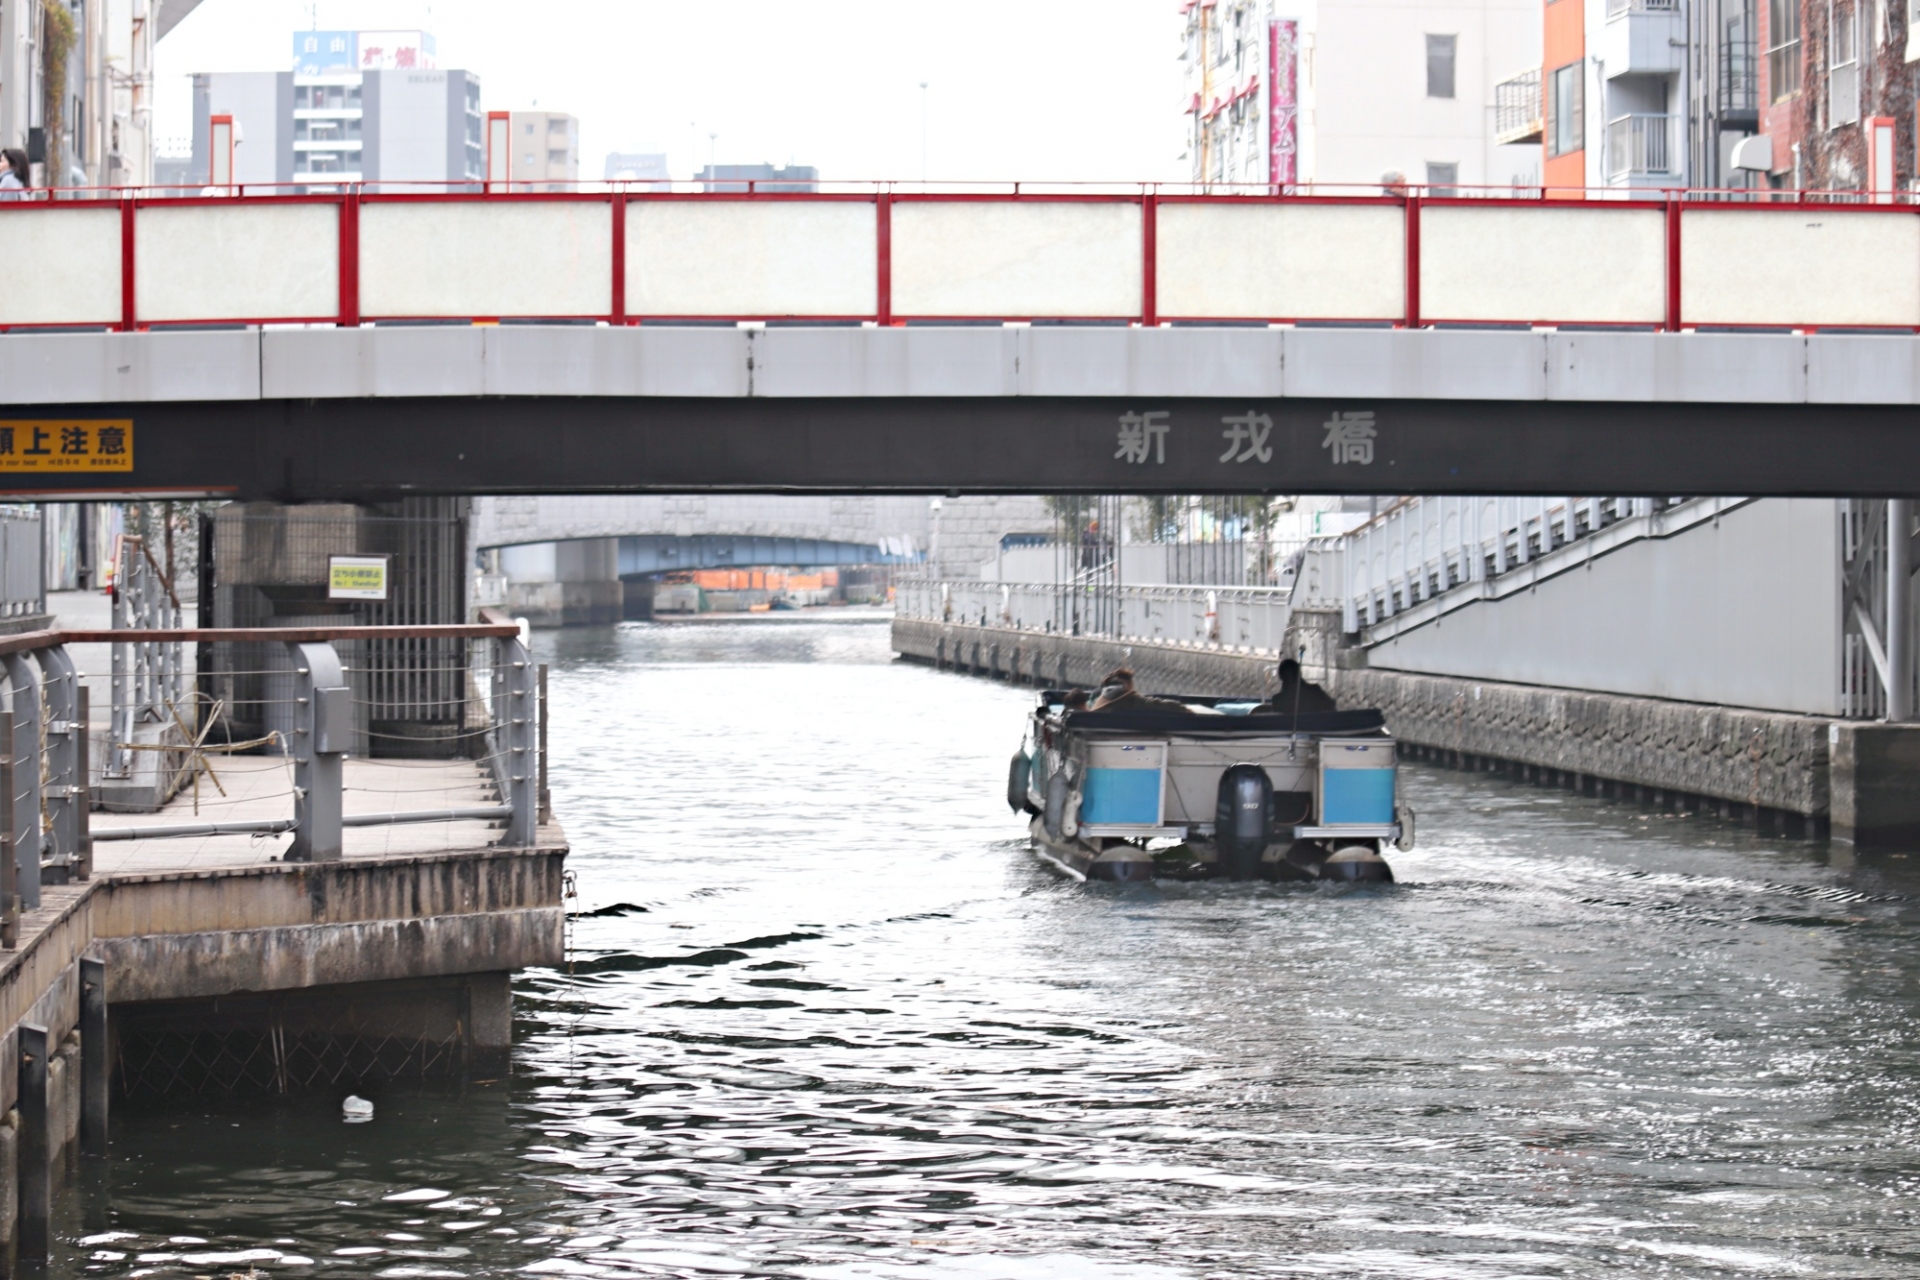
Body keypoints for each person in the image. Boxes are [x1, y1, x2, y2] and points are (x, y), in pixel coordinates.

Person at [1089, 667, 1191, 713]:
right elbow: (1156, 704)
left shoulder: (1101, 695)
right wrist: (1182, 708)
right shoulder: (1128, 699)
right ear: (1129, 684)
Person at [1263, 658, 1337, 717]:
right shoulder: (1315, 691)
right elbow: (1331, 706)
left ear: (1281, 677)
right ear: (1300, 673)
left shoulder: (1278, 700)